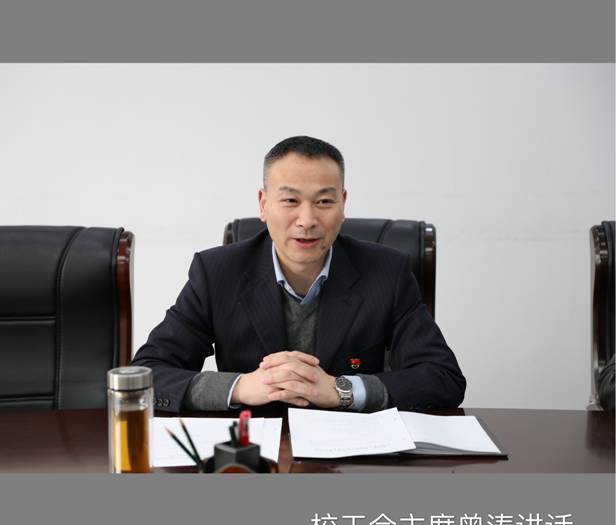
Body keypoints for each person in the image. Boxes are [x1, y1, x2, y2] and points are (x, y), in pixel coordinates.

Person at [132, 135, 466, 413]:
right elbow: (146, 374)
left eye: (324, 202)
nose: (306, 220)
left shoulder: (386, 273)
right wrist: (242, 386)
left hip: (353, 454)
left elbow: (443, 378)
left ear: (343, 204)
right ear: (263, 204)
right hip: (254, 452)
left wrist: (343, 389)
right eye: (290, 200)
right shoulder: (217, 273)